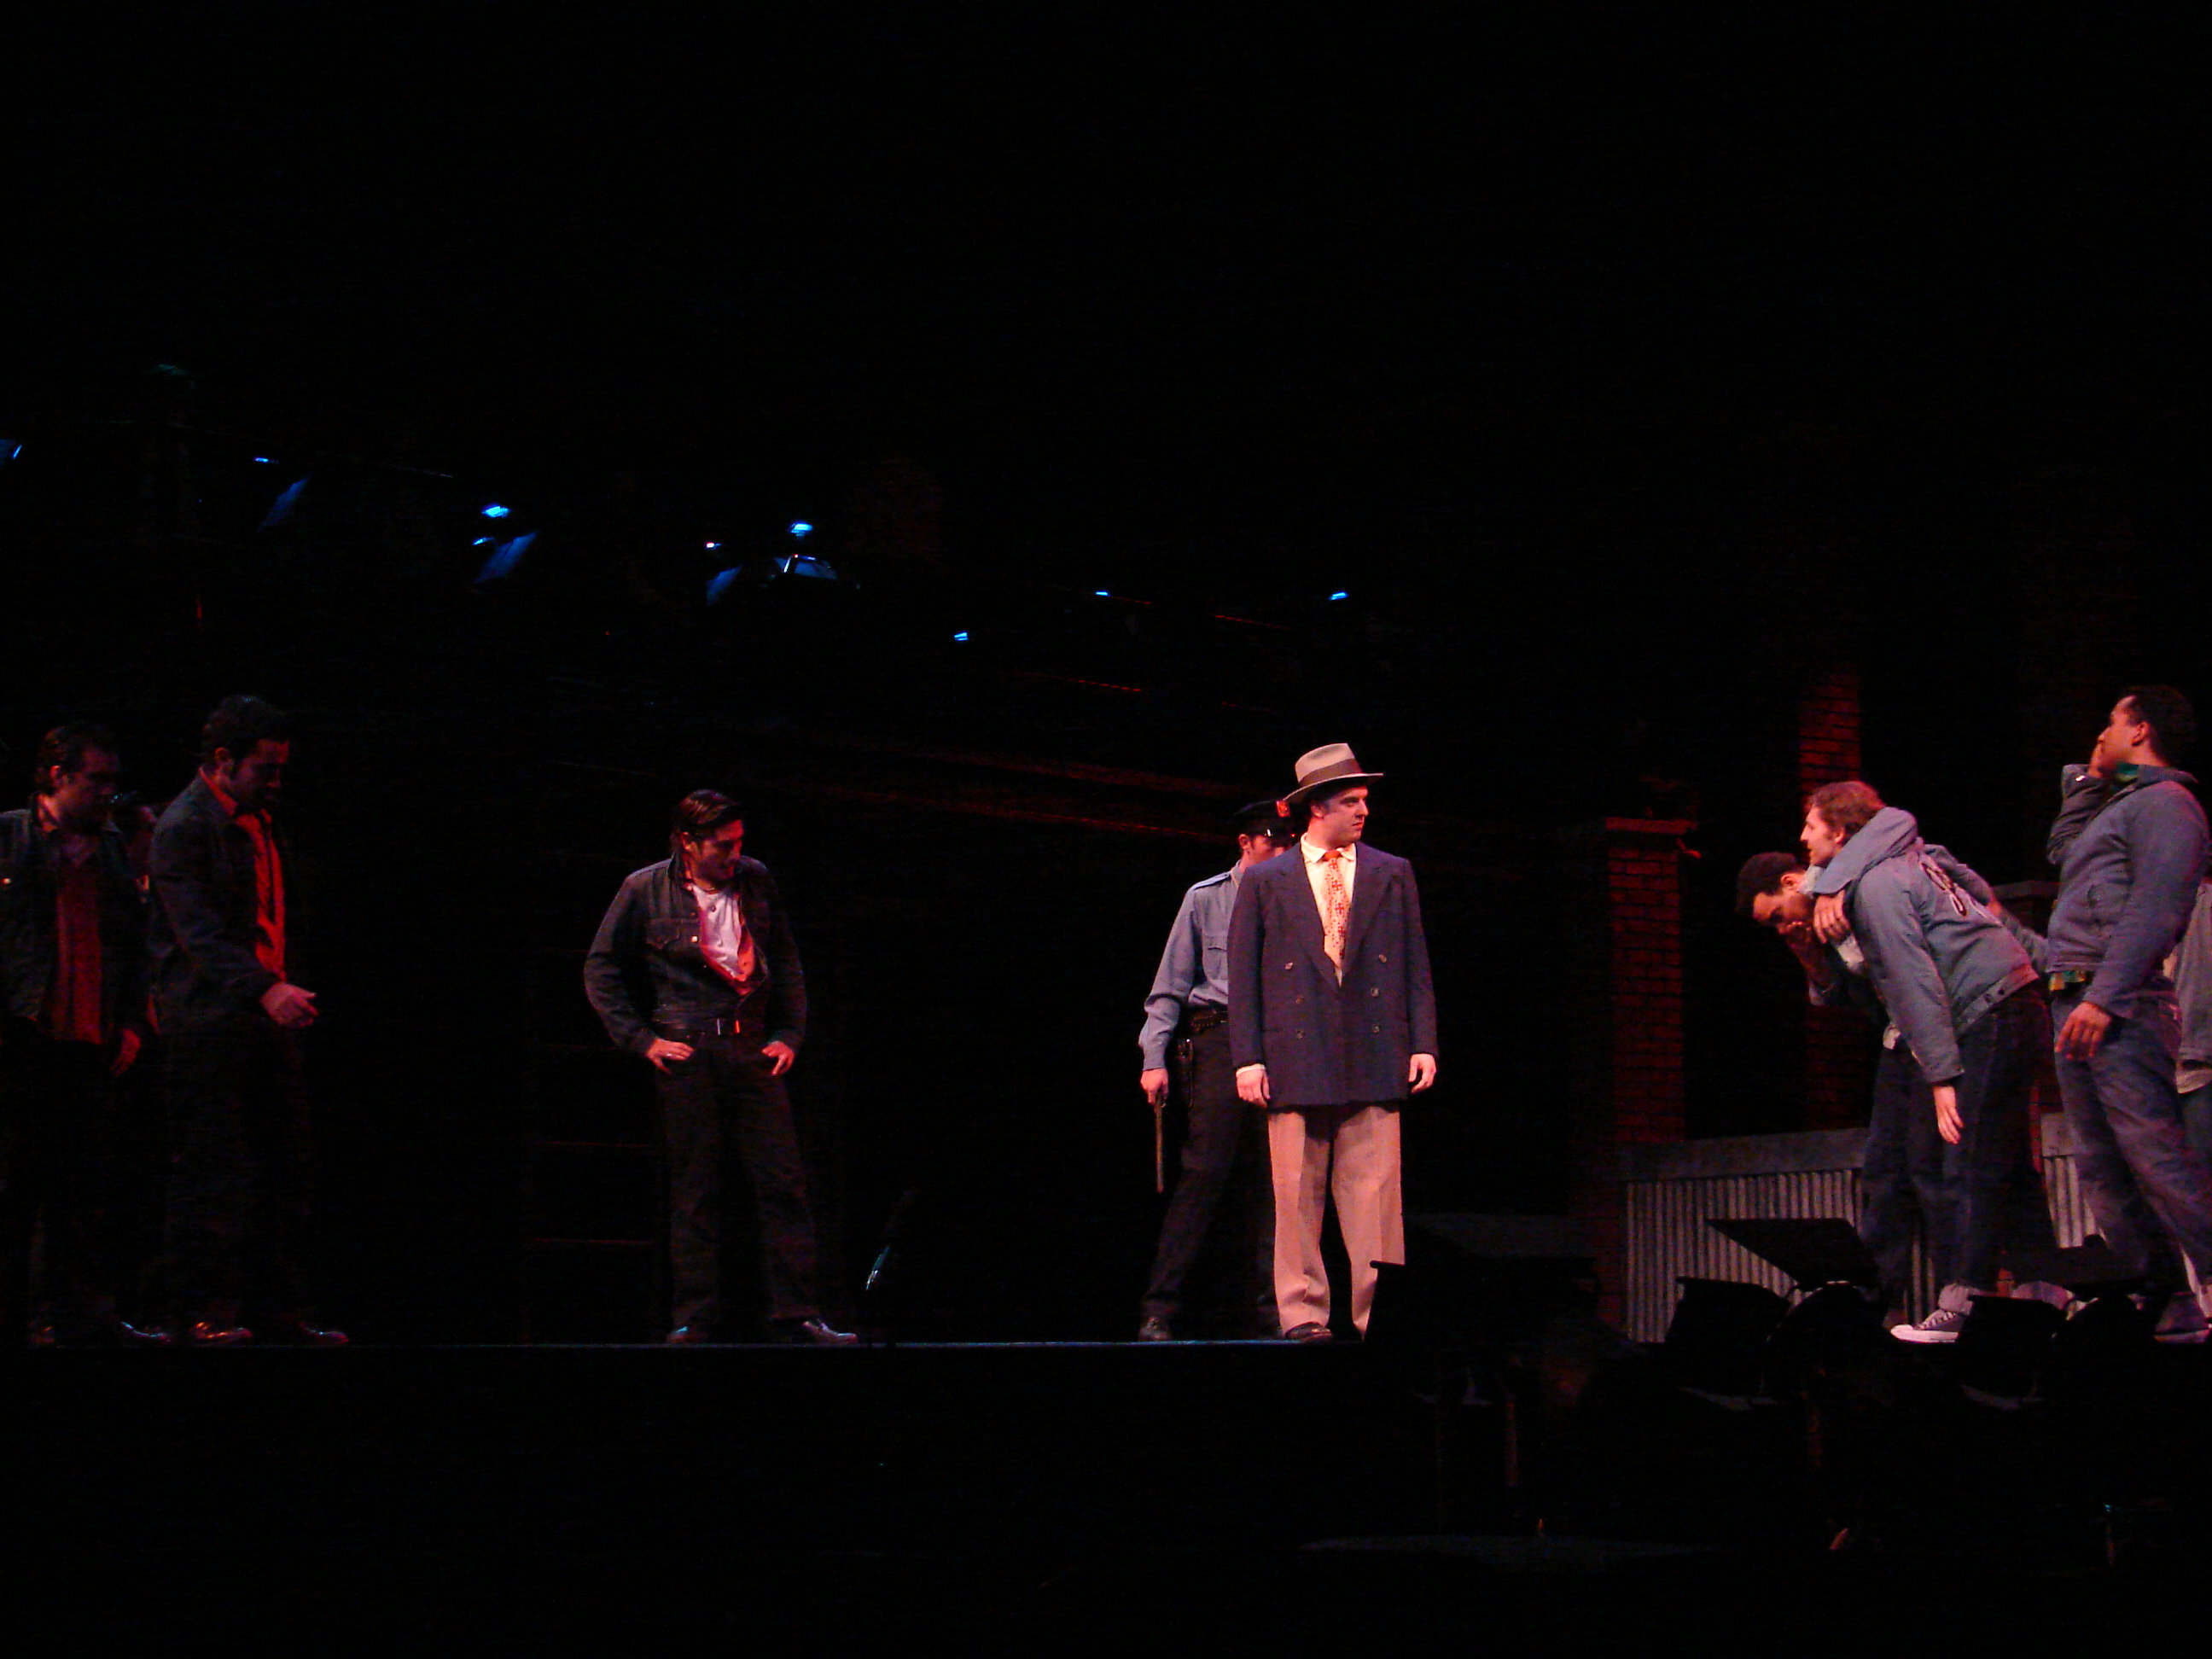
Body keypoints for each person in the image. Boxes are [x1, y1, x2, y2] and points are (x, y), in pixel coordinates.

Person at [1791, 783, 2061, 1340]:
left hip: (1990, 1013)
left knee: (1968, 1161)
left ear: (1839, 832)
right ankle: (2043, 1294)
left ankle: (1966, 1304)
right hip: (2012, 1006)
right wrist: (1828, 884)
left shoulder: (1877, 886)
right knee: (2008, 1163)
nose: (1802, 837)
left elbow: (1914, 983)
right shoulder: (1906, 859)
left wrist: (1940, 1075)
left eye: (1811, 827)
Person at [584, 789, 853, 1345]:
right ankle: (695, 1319)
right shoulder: (645, 887)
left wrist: (789, 1034)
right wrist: (642, 1040)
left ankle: (797, 1314)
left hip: (750, 1047)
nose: (734, 854)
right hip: (689, 1049)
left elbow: (786, 960)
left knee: (783, 1185)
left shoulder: (755, 879)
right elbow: (601, 967)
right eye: (722, 845)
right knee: (697, 1189)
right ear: (688, 842)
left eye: (739, 842)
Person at [148, 696, 345, 1345]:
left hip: (262, 1016)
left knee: (285, 1167)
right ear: (223, 760)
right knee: (211, 1170)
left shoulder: (262, 820)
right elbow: (199, 935)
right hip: (209, 1022)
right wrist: (265, 989)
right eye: (266, 768)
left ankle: (274, 1310)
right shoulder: (185, 826)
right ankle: (200, 1312)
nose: (277, 780)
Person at [1228, 744, 1437, 1342]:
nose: (1362, 811)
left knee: (1376, 1199)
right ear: (1316, 808)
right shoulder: (1265, 880)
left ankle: (1379, 1317)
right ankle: (1302, 1313)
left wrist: (1423, 1041)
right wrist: (1248, 1058)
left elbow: (1414, 963)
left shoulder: (1391, 871)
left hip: (1374, 1052)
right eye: (1350, 801)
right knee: (1296, 1195)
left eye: (1364, 800)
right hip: (1295, 1054)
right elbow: (1244, 976)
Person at [2041, 686, 2212, 1340]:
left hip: (2120, 1002)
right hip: (2079, 998)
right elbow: (2063, 852)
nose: (2100, 734)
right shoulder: (2120, 805)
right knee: (2103, 1168)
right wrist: (2087, 780)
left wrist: (2105, 996)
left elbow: (2158, 907)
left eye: (2110, 723)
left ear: (2139, 730)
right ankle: (2166, 1298)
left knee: (2156, 1158)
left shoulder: (2168, 804)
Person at [0, 724, 165, 1345]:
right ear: (57, 776)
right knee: (15, 1187)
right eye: (95, 780)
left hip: (90, 1042)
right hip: (24, 1040)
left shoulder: (112, 848)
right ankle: (18, 1319)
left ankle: (77, 1315)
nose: (106, 793)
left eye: (111, 782)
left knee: (84, 1189)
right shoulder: (10, 838)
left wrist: (132, 1022)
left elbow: (133, 943)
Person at [1737, 847, 1950, 1316]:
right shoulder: (1817, 928)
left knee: (1929, 1167)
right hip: (1898, 1040)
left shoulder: (1850, 897)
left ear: (1791, 883)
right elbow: (1848, 1000)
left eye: (1776, 916)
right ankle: (1873, 1298)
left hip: (1935, 1032)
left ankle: (1959, 1293)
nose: (1780, 928)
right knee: (1883, 1171)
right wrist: (1806, 953)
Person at [1134, 800, 1294, 1342]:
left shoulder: (1295, 896)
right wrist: (1154, 1057)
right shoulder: (1206, 898)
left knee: (1279, 1183)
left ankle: (1275, 1310)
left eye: (1289, 841)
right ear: (1246, 843)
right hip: (1220, 1038)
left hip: (1281, 1043)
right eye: (1272, 840)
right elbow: (1169, 986)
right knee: (1203, 1175)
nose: (1282, 849)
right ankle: (1160, 1307)